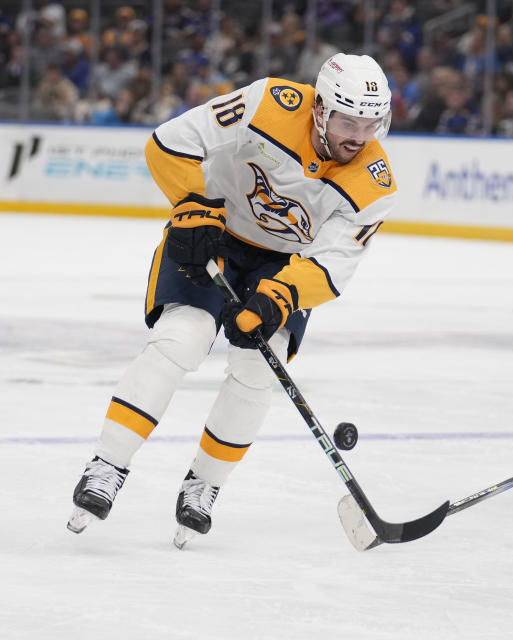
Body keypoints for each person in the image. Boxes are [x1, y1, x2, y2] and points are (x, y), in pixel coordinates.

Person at [67, 53, 396, 547]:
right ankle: (107, 465)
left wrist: (275, 300)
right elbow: (170, 143)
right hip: (213, 230)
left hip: (284, 264)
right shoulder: (269, 103)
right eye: (350, 120)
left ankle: (205, 485)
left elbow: (331, 267)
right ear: (322, 110)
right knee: (183, 338)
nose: (360, 135)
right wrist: (192, 205)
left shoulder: (375, 183)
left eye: (372, 123)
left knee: (259, 366)